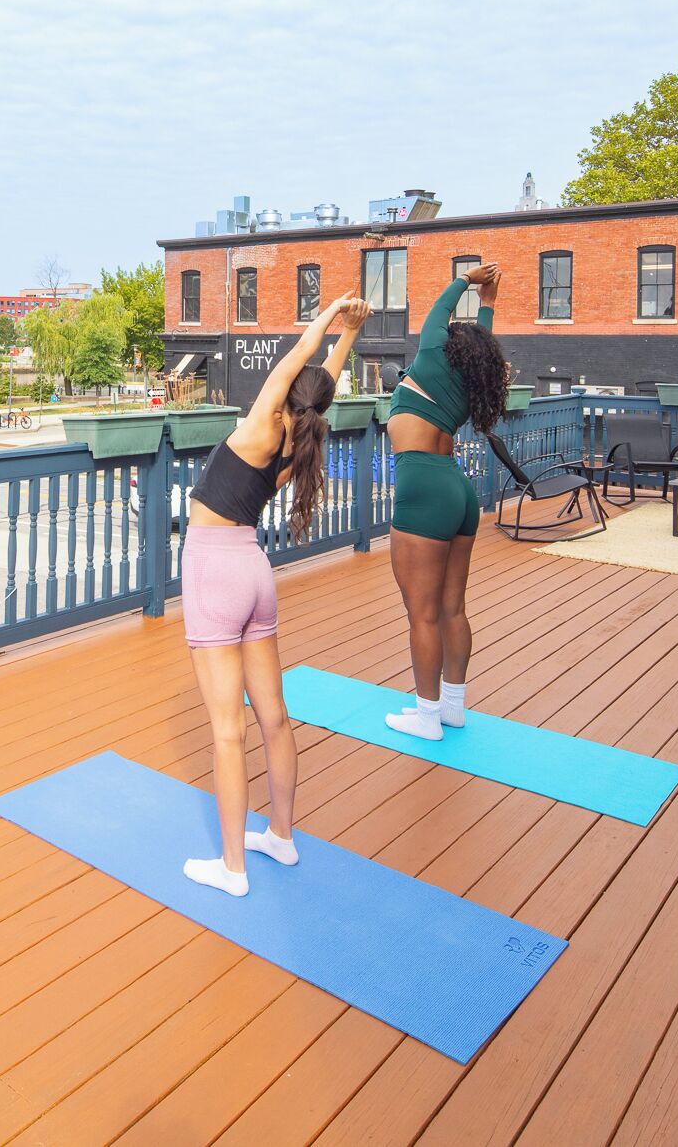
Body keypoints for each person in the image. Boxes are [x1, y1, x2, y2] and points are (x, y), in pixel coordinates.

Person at [181, 292, 370, 897]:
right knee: (274, 718)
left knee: (227, 731)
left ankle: (232, 868)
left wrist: (332, 315)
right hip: (256, 571)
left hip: (214, 570)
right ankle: (280, 836)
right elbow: (319, 382)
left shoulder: (264, 424)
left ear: (285, 396)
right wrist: (351, 336)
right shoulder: (300, 439)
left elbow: (298, 358)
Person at [381, 262, 510, 741]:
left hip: (422, 488)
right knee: (453, 608)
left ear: (450, 346)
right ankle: (452, 706)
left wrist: (467, 281)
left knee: (423, 614)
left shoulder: (433, 356)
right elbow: (485, 342)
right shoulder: (467, 381)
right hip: (458, 490)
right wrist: (491, 302)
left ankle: (427, 716)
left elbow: (437, 313)